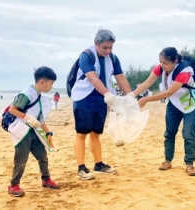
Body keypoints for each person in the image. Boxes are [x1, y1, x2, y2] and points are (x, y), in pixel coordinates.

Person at [128, 47, 195, 176]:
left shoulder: (184, 71)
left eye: (165, 63)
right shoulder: (160, 67)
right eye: (160, 61)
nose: (162, 65)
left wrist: (147, 99)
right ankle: (167, 160)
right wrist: (132, 95)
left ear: (175, 61)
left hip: (189, 103)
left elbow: (169, 92)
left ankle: (189, 164)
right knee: (169, 132)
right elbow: (146, 84)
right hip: (173, 103)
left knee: (188, 133)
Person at [70, 29, 131, 180]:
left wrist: (131, 97)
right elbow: (93, 78)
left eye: (111, 47)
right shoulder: (86, 56)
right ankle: (81, 168)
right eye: (105, 47)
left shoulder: (113, 58)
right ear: (96, 43)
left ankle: (98, 164)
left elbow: (121, 78)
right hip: (84, 98)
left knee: (96, 133)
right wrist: (107, 94)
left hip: (101, 100)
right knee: (82, 132)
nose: (108, 51)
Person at [7, 66, 60, 197]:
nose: (51, 87)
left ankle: (46, 179)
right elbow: (12, 110)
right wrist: (27, 117)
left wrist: (48, 132)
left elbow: (40, 119)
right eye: (51, 83)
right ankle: (13, 185)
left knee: (42, 156)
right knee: (21, 159)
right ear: (42, 82)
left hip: (35, 131)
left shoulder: (40, 97)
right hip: (22, 131)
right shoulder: (27, 94)